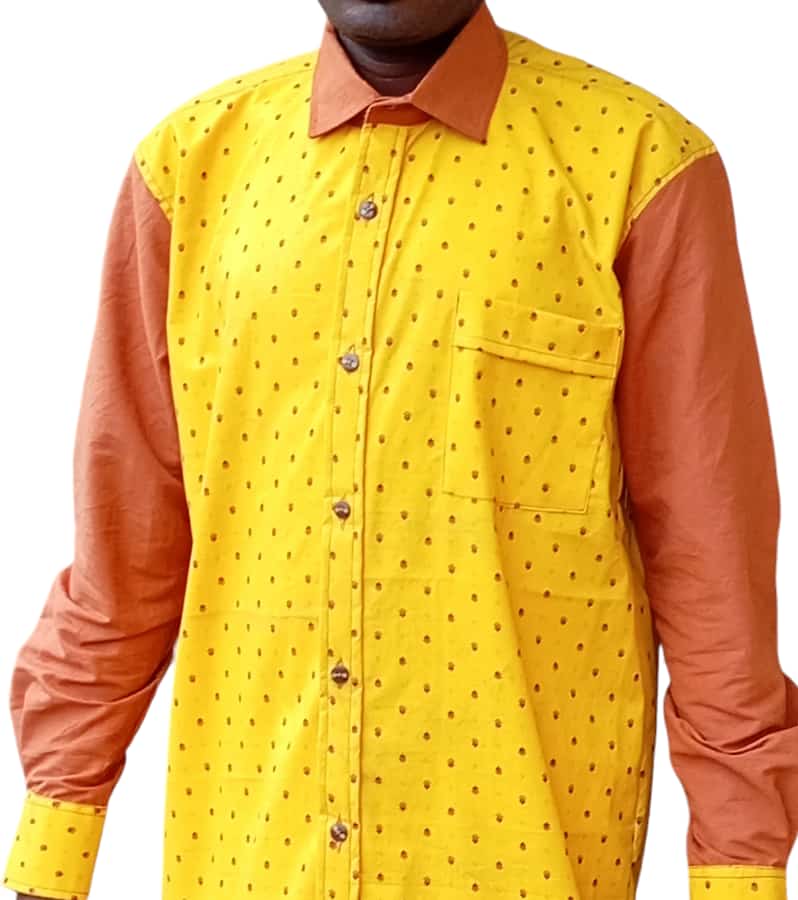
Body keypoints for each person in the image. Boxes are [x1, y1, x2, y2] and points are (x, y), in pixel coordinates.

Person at [4, 1, 797, 898]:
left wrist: (740, 872)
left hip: (514, 863)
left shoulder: (639, 164)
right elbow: (122, 557)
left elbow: (713, 566)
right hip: (250, 863)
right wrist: (53, 847)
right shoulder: (189, 169)